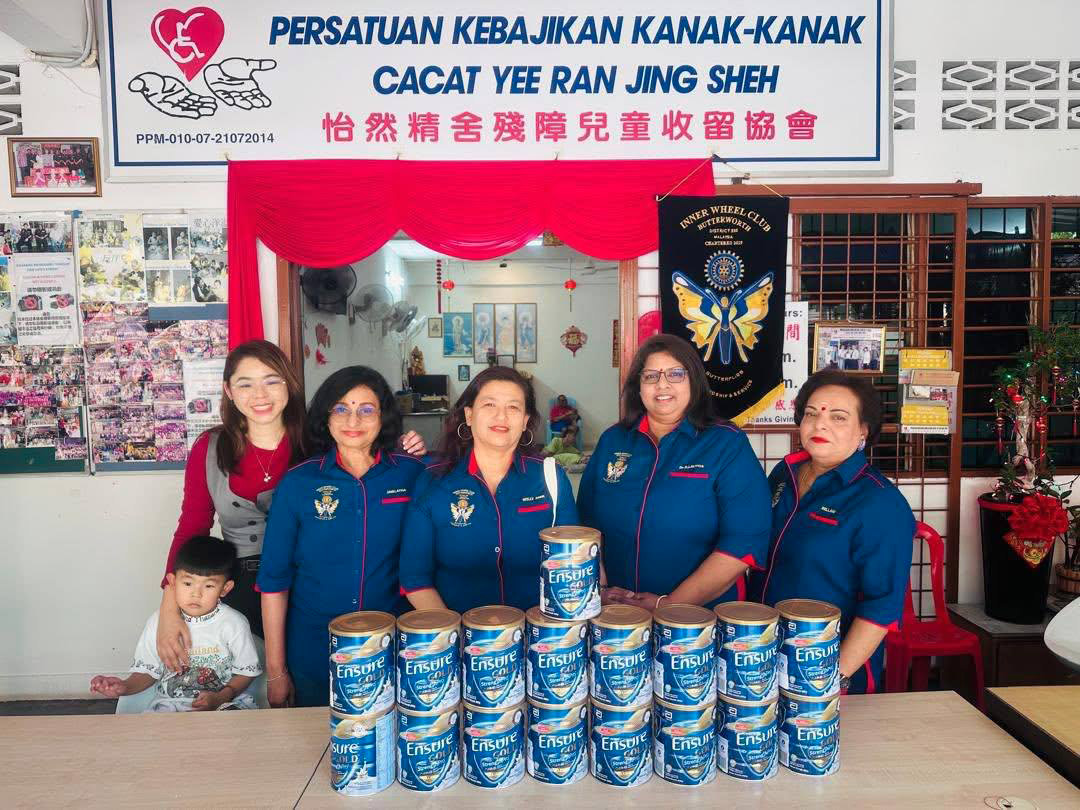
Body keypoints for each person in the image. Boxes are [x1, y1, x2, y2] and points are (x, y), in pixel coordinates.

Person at [154, 339, 427, 674]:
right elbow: (191, 529)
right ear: (228, 390)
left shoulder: (317, 442)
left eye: (271, 381)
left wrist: (400, 445)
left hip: (307, 583)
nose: (260, 395)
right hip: (234, 585)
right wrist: (169, 608)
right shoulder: (210, 448)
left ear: (289, 384)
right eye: (245, 384)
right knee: (237, 686)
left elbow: (367, 458)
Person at [257, 366, 427, 708]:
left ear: (383, 418)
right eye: (341, 408)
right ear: (326, 416)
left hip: (394, 649)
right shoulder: (299, 483)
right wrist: (276, 672)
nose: (354, 420)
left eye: (366, 409)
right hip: (314, 652)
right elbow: (274, 580)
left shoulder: (413, 474)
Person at [749, 369, 915, 695]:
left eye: (838, 417)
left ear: (863, 431)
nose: (820, 424)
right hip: (761, 657)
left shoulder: (880, 503)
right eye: (811, 414)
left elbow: (883, 606)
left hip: (825, 671)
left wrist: (831, 678)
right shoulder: (785, 474)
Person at [577, 334, 771, 612]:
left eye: (676, 374)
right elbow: (586, 524)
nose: (662, 384)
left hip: (701, 618)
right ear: (638, 387)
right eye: (651, 376)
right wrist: (601, 588)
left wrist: (669, 605)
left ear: (694, 381)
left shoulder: (726, 443)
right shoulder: (614, 440)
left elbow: (744, 542)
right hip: (616, 614)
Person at [400, 366, 579, 614]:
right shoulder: (433, 480)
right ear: (469, 415)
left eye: (513, 407)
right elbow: (415, 578)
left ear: (526, 420)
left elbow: (572, 564)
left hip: (539, 639)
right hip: (459, 639)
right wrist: (454, 636)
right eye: (490, 405)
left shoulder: (551, 477)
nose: (501, 416)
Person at [91, 536, 261, 711]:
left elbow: (245, 673)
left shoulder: (234, 623)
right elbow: (148, 673)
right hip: (170, 706)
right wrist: (124, 687)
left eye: (208, 586)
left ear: (225, 588)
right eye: (188, 583)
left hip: (224, 703)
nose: (196, 594)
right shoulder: (159, 622)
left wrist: (220, 698)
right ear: (172, 582)